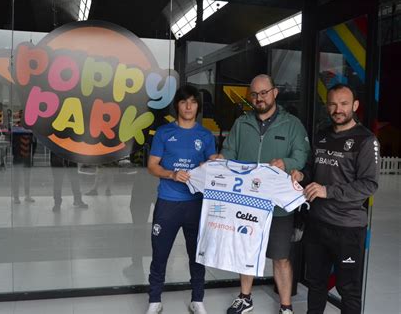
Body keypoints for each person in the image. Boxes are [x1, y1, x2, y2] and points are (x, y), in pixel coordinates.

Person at [217, 74, 310, 314]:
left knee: (280, 257)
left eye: (264, 93)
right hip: (246, 204)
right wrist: (220, 160)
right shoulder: (242, 123)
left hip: (277, 206)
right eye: (255, 94)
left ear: (275, 92)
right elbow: (229, 152)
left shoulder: (292, 125)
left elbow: (302, 154)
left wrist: (287, 163)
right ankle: (245, 298)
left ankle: (286, 306)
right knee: (245, 251)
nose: (259, 98)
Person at [291, 83, 380, 314]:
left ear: (355, 106)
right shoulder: (321, 135)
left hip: (348, 229)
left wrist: (327, 191)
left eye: (343, 104)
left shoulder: (366, 141)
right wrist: (302, 175)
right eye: (332, 104)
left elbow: (369, 185)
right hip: (317, 225)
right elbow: (312, 171)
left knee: (348, 290)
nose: (337, 109)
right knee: (316, 284)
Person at [146, 85, 217, 314]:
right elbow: (152, 166)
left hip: (195, 204)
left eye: (193, 102)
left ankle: (197, 299)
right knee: (160, 253)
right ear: (177, 105)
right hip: (167, 202)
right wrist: (172, 174)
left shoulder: (205, 135)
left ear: (198, 106)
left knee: (197, 254)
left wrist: (212, 163)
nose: (188, 106)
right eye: (184, 101)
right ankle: (155, 300)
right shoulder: (164, 133)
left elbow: (212, 168)